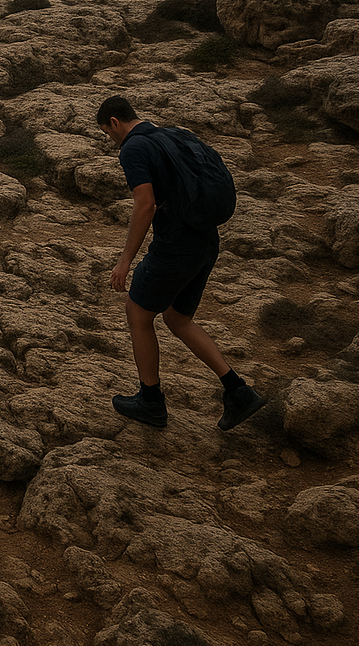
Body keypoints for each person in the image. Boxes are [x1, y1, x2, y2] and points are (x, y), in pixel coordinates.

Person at [96, 95, 267, 431]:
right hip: (205, 238)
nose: (112, 140)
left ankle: (150, 401)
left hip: (176, 244)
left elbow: (145, 205)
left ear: (115, 123)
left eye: (107, 133)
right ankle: (239, 392)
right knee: (177, 318)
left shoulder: (133, 148)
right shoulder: (174, 134)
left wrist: (124, 261)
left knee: (137, 311)